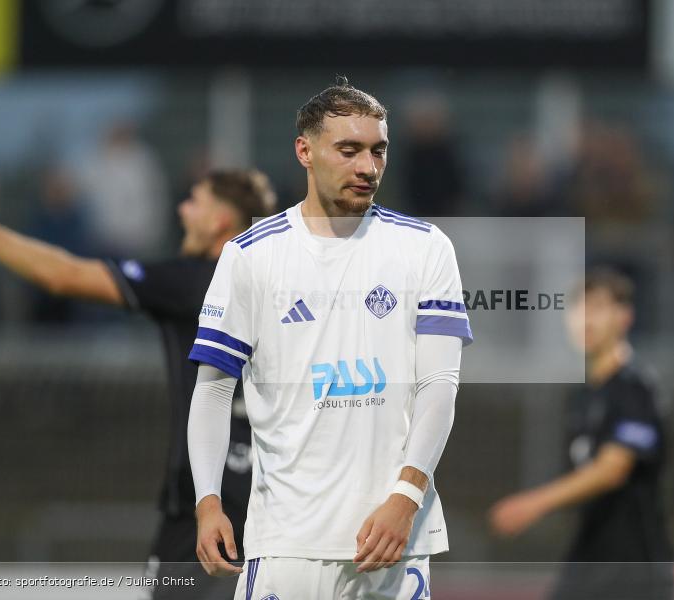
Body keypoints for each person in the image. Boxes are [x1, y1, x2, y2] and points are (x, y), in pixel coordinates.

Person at [187, 77, 472, 599]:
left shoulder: (426, 248)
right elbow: (211, 391)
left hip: (393, 539)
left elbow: (439, 384)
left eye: (378, 151)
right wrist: (208, 502)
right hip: (286, 542)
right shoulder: (251, 255)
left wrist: (405, 497)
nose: (368, 167)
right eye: (349, 149)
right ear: (305, 151)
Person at [0, 170, 276, 599]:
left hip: (205, 505)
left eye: (194, 201)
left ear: (220, 221)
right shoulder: (278, 281)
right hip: (277, 497)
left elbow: (64, 275)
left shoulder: (196, 278)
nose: (182, 210)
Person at [489, 268, 674, 600]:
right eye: (579, 308)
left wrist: (534, 503)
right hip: (592, 558)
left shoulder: (633, 389)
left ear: (624, 317)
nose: (586, 320)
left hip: (632, 567)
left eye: (599, 308)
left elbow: (613, 470)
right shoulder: (585, 396)